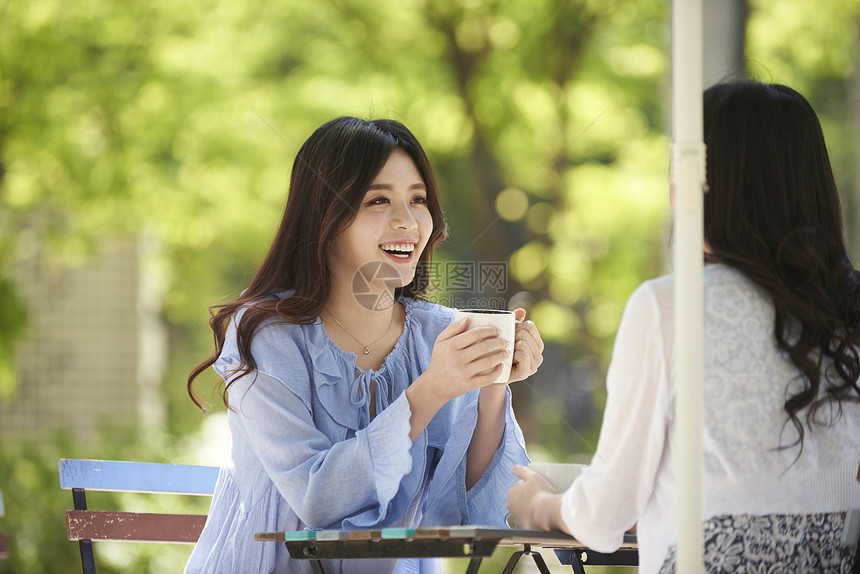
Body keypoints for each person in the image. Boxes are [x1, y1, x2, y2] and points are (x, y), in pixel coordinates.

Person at [507, 81, 860, 573]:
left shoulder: (669, 305)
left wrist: (540, 504)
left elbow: (607, 510)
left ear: (709, 189)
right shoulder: (848, 306)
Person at [184, 116, 543, 574]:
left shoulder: (437, 336)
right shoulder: (267, 338)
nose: (407, 221)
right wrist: (431, 389)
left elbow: (467, 513)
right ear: (324, 219)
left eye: (418, 199)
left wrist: (493, 382)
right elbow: (319, 499)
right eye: (378, 200)